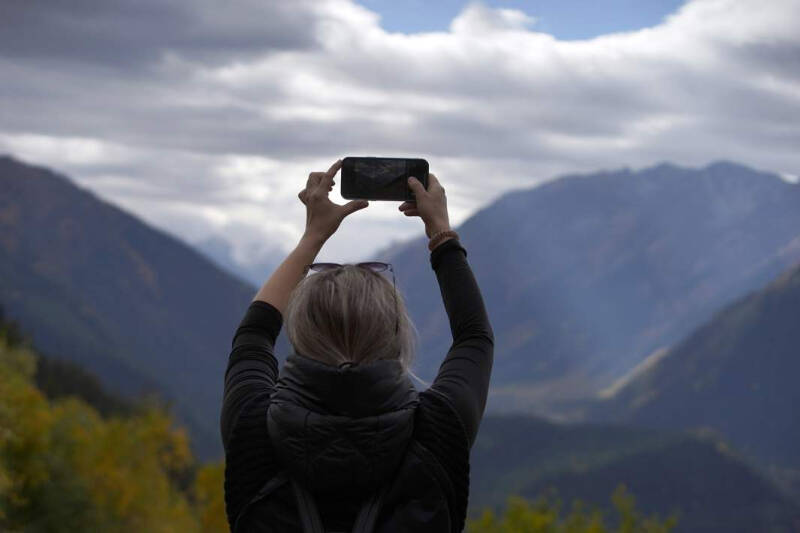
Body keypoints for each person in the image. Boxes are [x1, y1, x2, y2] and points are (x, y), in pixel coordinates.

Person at [221, 159, 494, 532]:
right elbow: (474, 336)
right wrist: (441, 233)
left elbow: (253, 335)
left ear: (299, 332)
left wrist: (312, 237)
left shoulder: (253, 429)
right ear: (396, 335)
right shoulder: (438, 432)